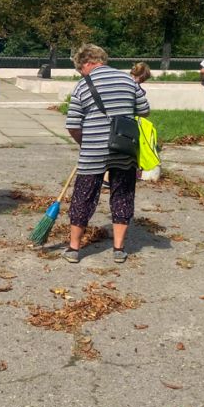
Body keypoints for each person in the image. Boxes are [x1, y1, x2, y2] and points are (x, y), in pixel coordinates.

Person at [64, 44, 150, 264]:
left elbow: (73, 124)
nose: (80, 73)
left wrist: (84, 143)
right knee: (123, 194)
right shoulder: (129, 81)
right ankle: (119, 249)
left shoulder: (83, 85)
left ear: (86, 63)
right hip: (124, 148)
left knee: (83, 196)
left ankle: (74, 249)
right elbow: (144, 110)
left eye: (79, 69)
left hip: (93, 149)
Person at [129, 62, 161, 181]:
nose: (141, 83)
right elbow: (144, 110)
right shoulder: (135, 86)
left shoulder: (124, 81)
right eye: (142, 80)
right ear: (141, 77)